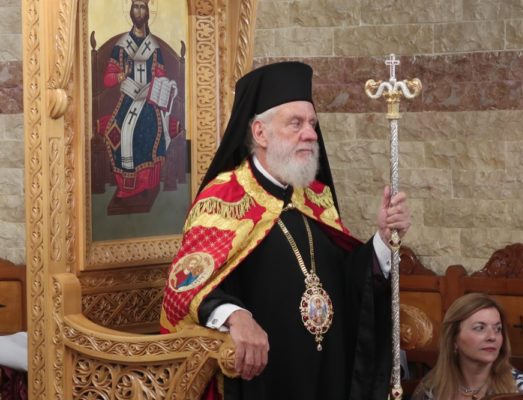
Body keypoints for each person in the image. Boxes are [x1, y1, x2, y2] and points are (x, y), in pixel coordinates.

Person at [160, 61, 411, 400]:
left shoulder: (316, 198)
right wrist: (235, 316)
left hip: (327, 378)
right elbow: (186, 286)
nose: (310, 134)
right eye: (296, 123)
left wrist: (382, 239)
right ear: (260, 133)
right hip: (264, 382)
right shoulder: (223, 199)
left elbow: (347, 282)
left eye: (312, 124)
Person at [100, 0, 178, 199]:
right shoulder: (120, 46)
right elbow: (107, 79)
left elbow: (161, 75)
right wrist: (122, 75)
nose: (139, 11)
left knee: (149, 130)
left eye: (143, 7)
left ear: (148, 12)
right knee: (120, 132)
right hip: (127, 100)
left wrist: (163, 85)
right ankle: (127, 184)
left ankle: (145, 184)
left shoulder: (154, 48)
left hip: (149, 102)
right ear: (130, 10)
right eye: (136, 6)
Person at [412, 293, 523, 400]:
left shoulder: (521, 388)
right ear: (454, 339)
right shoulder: (431, 389)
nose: (492, 337)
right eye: (480, 328)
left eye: (497, 329)